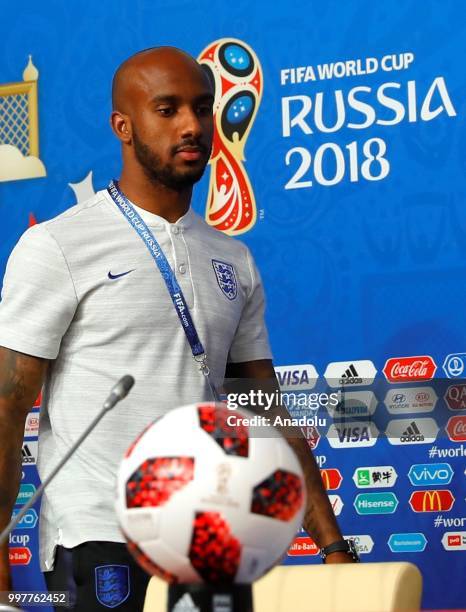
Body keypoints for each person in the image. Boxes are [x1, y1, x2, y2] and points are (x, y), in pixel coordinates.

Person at [0, 47, 354, 611]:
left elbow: (263, 408)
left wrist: (333, 546)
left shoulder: (233, 258)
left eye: (202, 107)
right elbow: (7, 403)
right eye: (166, 110)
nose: (191, 125)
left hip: (211, 533)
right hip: (100, 532)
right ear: (123, 126)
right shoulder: (56, 246)